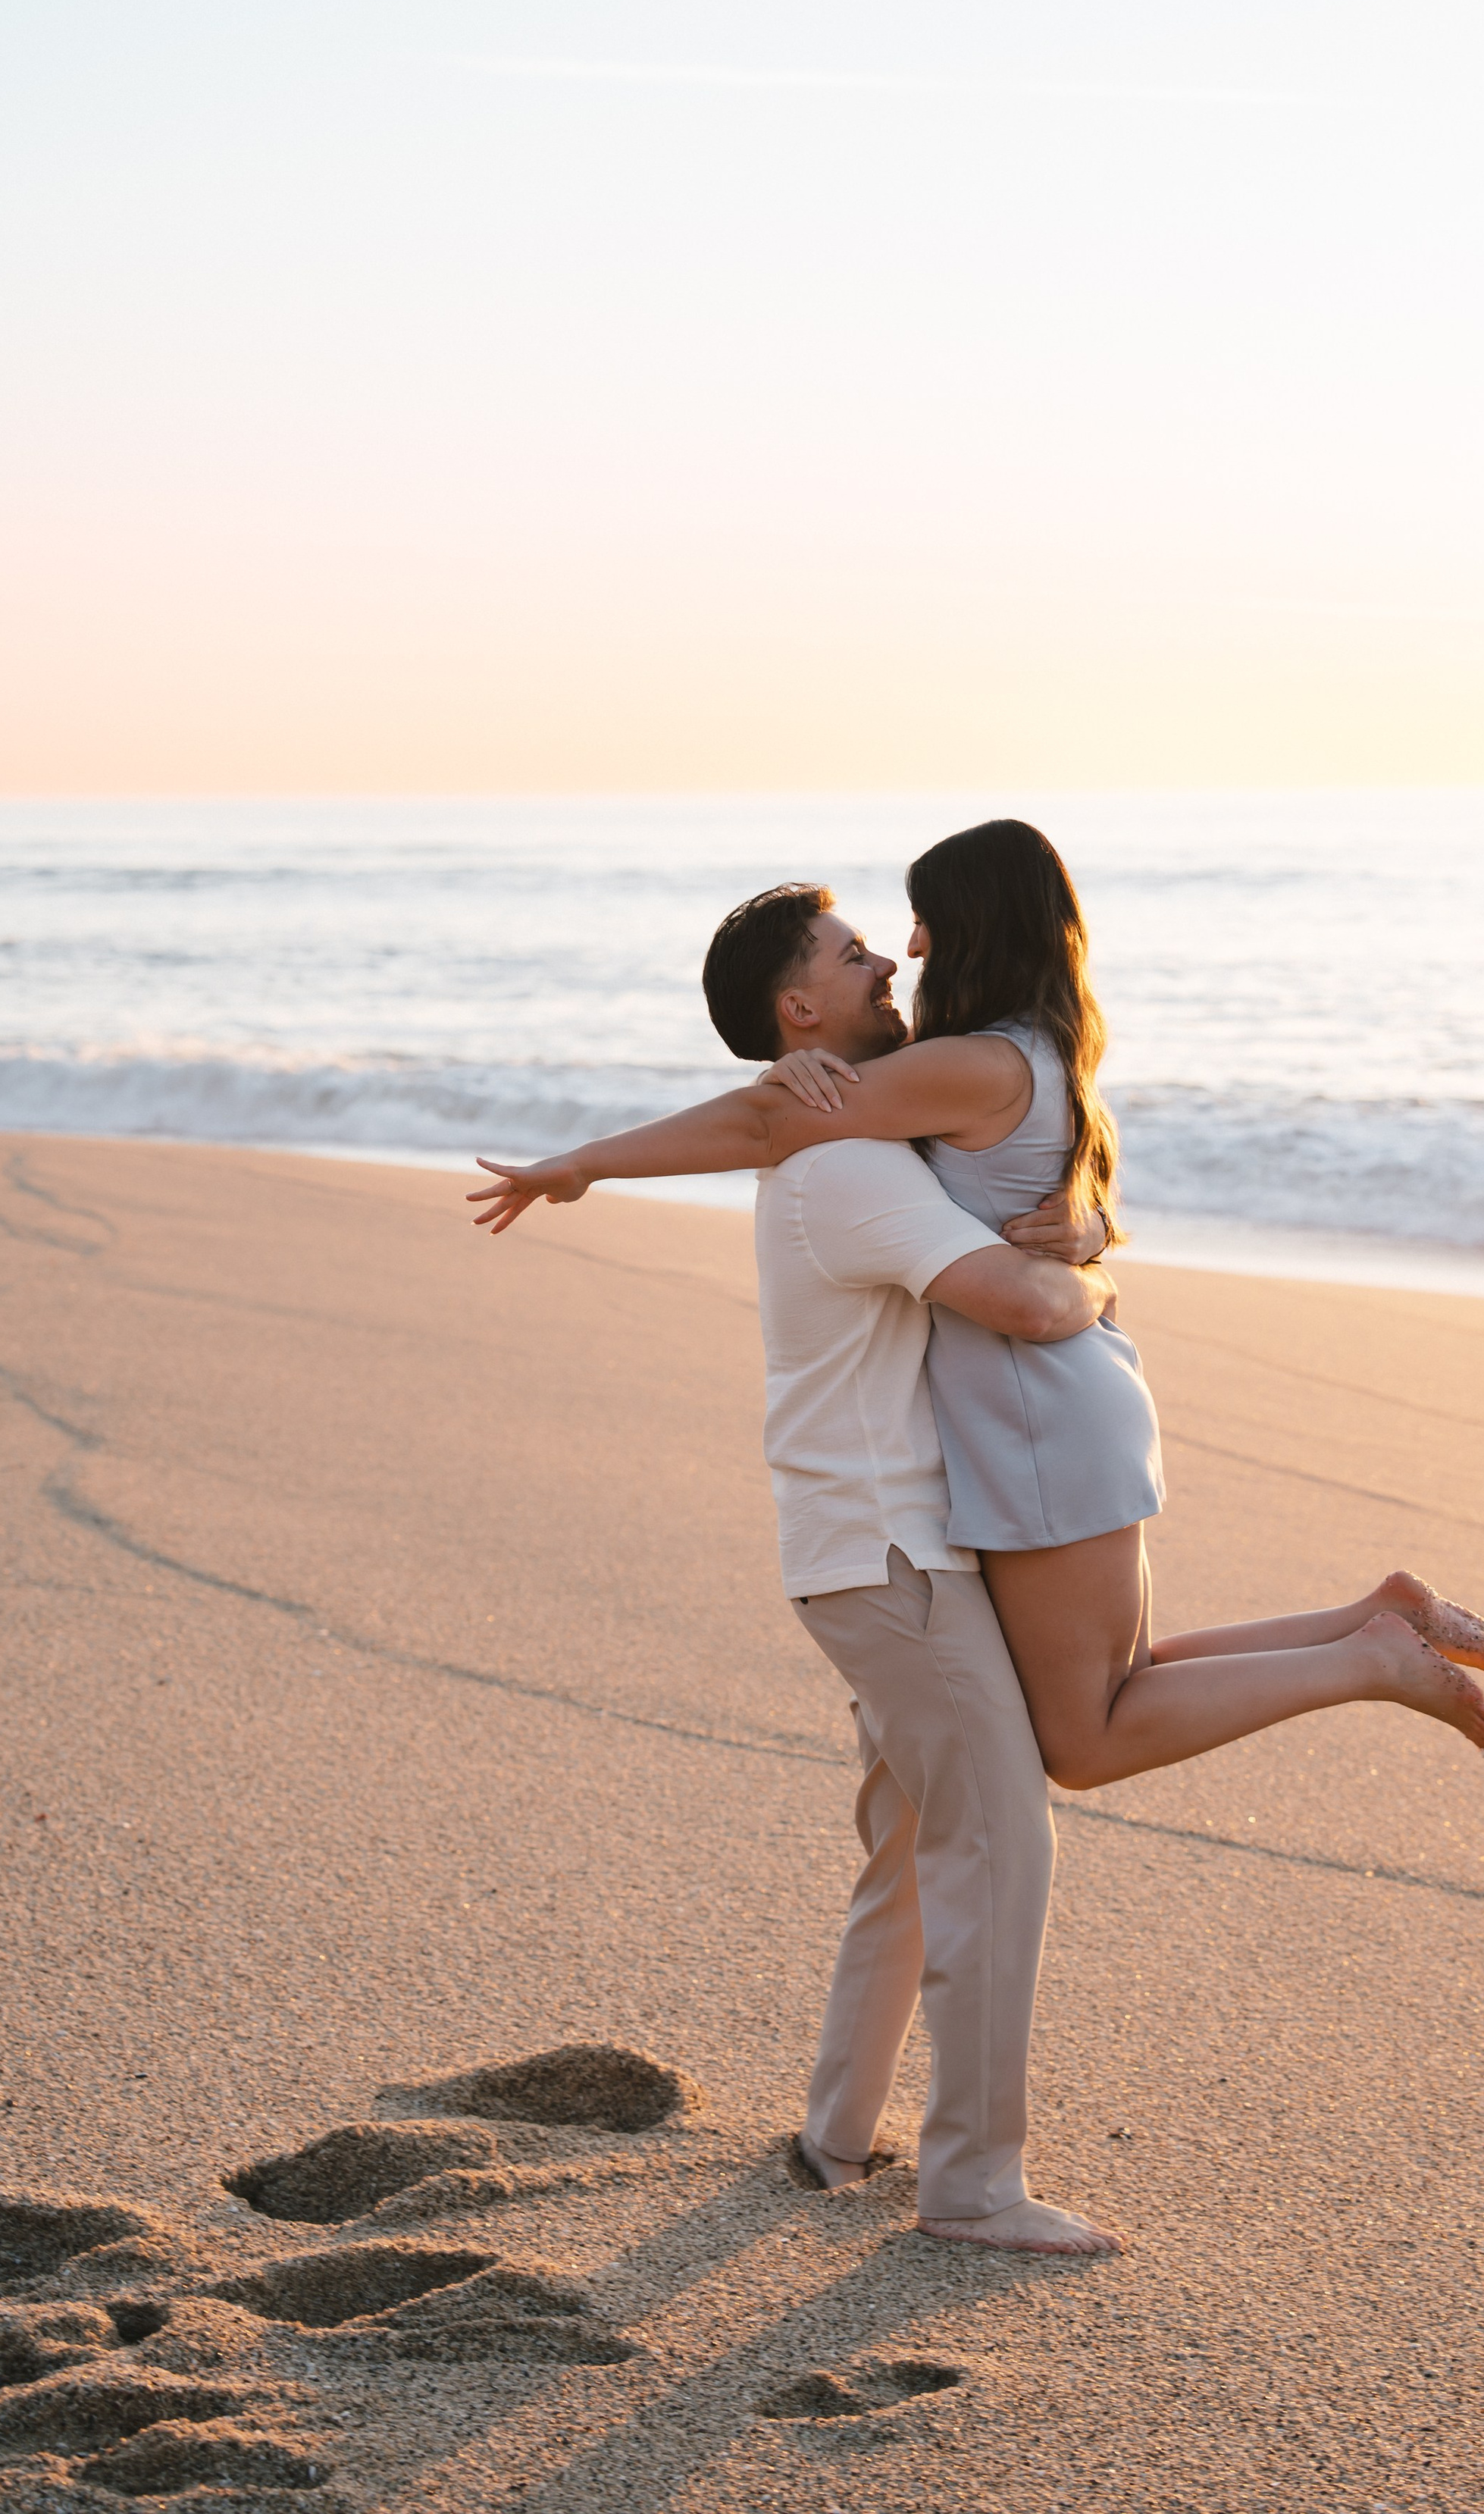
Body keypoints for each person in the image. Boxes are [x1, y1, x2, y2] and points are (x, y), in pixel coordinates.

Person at [471, 825, 1484, 1801]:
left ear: (977, 926)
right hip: (1069, 1398)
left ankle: (1369, 1660)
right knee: (1126, 1678)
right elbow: (968, 1169)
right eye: (879, 942)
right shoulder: (1030, 1049)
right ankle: (1372, 1619)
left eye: (922, 922)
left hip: (1033, 1415)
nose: (909, 950)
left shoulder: (972, 1065)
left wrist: (585, 1164)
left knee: (1086, 1739)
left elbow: (764, 1124)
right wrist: (803, 1067)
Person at [478, 877, 1128, 2256]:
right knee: (999, 1846)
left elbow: (759, 1120)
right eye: (852, 954)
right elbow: (1023, 1305)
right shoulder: (850, 1165)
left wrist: (585, 1162)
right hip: (896, 1556)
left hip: (869, 1551)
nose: (887, 961)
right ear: (800, 1007)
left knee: (912, 1848)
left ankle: (837, 2135)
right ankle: (973, 2186)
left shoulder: (834, 1133)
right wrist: (1095, 1278)